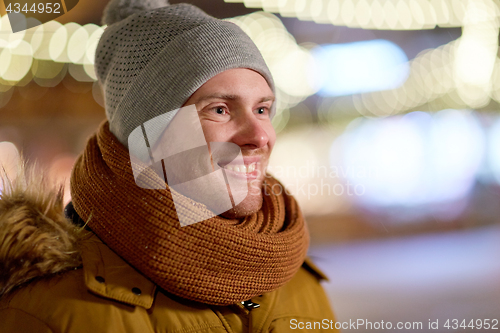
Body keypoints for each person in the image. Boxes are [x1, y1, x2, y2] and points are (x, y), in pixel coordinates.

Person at [0, 1, 337, 331]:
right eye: (220, 109)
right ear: (149, 136)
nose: (261, 136)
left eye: (262, 109)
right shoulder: (47, 311)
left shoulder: (297, 282)